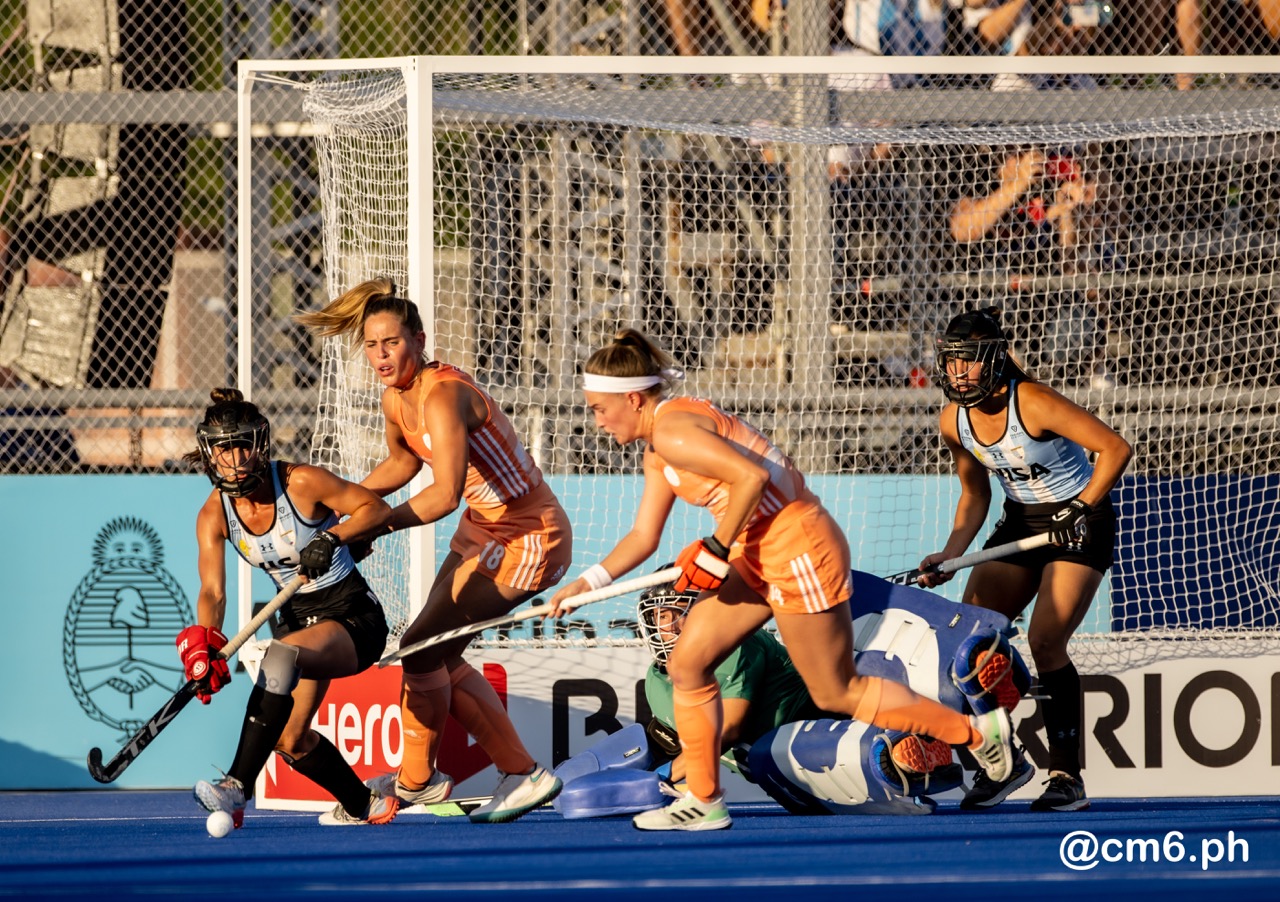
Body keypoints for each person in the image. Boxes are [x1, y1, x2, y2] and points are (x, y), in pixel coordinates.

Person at [547, 328, 1015, 831]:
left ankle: (974, 733)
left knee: (838, 689)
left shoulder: (673, 431)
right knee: (689, 660)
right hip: (760, 552)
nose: (595, 421)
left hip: (797, 549)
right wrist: (587, 584)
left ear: (632, 398)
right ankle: (704, 801)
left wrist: (716, 547)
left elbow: (752, 479)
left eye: (598, 408)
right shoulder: (658, 450)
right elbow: (643, 536)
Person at [295, 279, 572, 824]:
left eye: (391, 343)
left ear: (418, 341)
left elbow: (443, 493)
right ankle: (423, 781)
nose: (380, 355)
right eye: (371, 345)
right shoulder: (395, 398)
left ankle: (512, 774)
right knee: (431, 652)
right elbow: (402, 466)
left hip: (527, 535)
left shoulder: (442, 396)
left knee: (423, 648)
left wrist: (365, 529)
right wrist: (343, 513)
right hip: (484, 527)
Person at [916, 306, 1133, 811]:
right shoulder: (953, 419)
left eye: (967, 362)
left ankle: (1066, 777)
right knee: (969, 637)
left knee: (1045, 639)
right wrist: (951, 554)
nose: (956, 373)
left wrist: (1080, 507)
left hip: (1082, 521)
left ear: (994, 359)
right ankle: (1001, 762)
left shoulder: (1032, 400)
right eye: (950, 363)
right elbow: (974, 496)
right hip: (1023, 523)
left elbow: (1115, 449)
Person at [181, 388, 400, 827]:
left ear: (260, 446)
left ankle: (236, 786)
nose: (236, 460)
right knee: (290, 739)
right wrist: (206, 646)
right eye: (225, 450)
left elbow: (376, 509)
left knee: (279, 655)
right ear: (210, 454)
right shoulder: (213, 515)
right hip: (298, 623)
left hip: (353, 615)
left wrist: (332, 537)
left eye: (243, 447)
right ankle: (366, 804)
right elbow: (213, 593)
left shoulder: (300, 482)